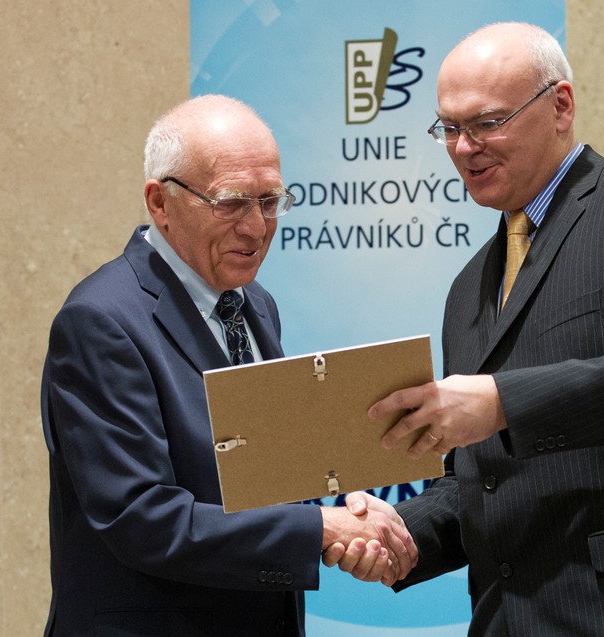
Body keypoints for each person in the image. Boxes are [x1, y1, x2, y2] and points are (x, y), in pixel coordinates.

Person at [325, 22, 604, 636]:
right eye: (449, 128)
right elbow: (482, 478)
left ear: (560, 106)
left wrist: (501, 402)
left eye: (487, 122)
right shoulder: (468, 287)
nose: (464, 148)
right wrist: (403, 532)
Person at [40, 94, 416, 636]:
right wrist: (318, 529)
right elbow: (142, 518)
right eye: (232, 203)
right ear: (160, 202)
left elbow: (263, 474)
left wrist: (346, 511)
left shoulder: (254, 303)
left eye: (270, 202)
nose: (257, 228)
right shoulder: (99, 320)